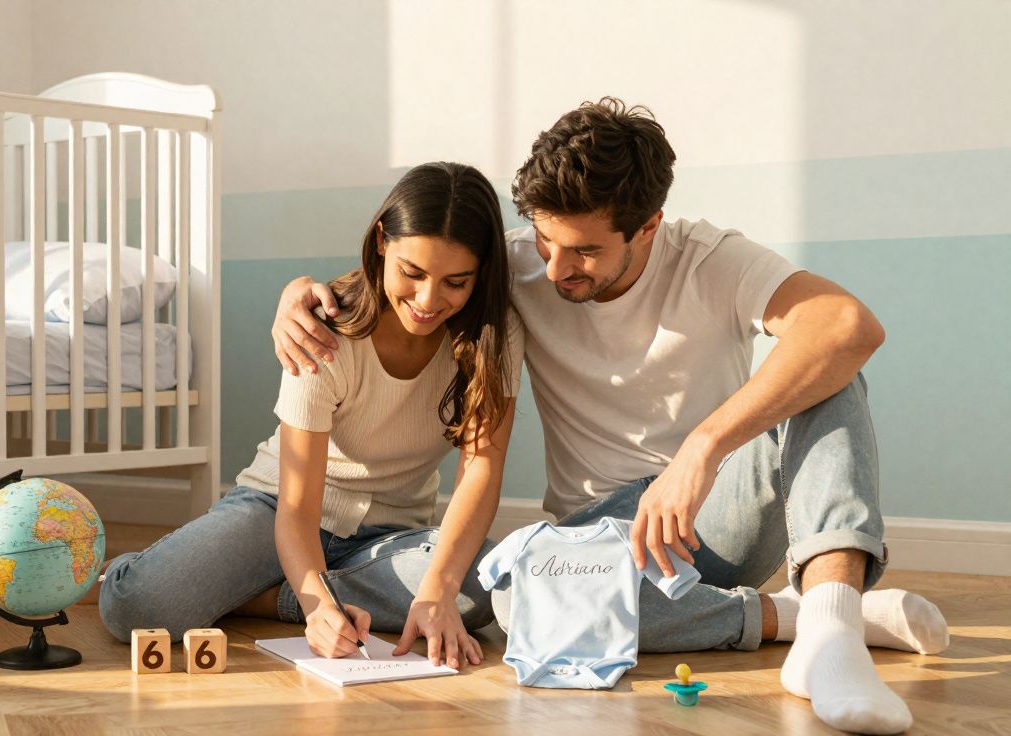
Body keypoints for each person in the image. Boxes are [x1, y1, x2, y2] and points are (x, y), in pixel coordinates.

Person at [272, 99, 947, 734]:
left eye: (586, 252)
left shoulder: (710, 260)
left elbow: (846, 323)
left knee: (832, 371)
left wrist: (702, 449)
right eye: (544, 240)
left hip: (712, 516)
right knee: (513, 600)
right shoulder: (514, 264)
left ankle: (829, 629)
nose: (557, 268)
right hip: (598, 544)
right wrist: (298, 297)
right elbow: (399, 281)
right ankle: (813, 619)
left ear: (647, 226)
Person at [99, 161, 523, 670]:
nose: (429, 301)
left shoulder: (495, 337)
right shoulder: (325, 329)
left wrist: (436, 590)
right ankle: (185, 575)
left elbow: (482, 467)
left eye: (457, 282)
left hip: (391, 535)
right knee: (136, 607)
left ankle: (262, 596)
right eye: (412, 273)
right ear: (383, 241)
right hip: (277, 512)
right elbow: (297, 506)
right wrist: (318, 605)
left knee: (478, 585)